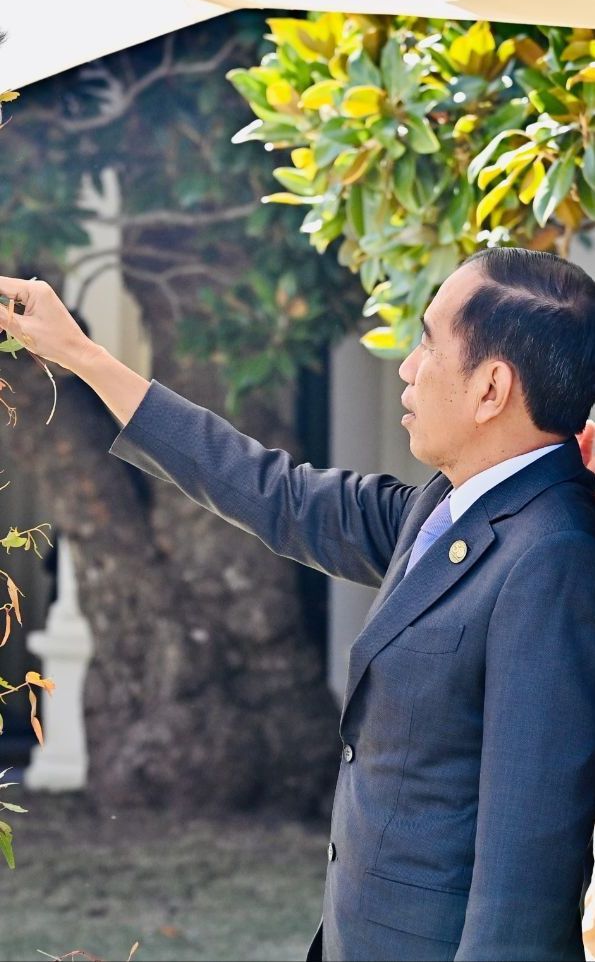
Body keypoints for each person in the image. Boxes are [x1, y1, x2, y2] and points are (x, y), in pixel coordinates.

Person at [0, 246, 593, 962]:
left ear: (490, 388)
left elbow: (524, 881)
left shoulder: (554, 557)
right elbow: (272, 492)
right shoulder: (447, 507)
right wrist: (83, 356)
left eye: (429, 342)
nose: (407, 366)